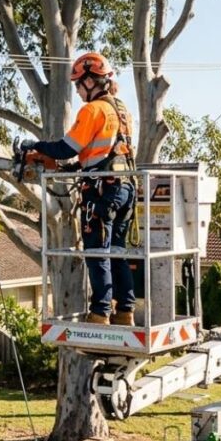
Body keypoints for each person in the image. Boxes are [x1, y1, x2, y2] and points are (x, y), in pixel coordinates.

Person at [23, 52, 136, 325]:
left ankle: (100, 313)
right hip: (125, 186)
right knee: (116, 251)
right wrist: (74, 168)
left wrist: (35, 145)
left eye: (78, 84)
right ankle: (125, 311)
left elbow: (66, 147)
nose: (76, 90)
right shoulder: (121, 109)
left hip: (102, 191)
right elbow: (105, 153)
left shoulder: (93, 110)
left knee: (96, 252)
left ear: (90, 81)